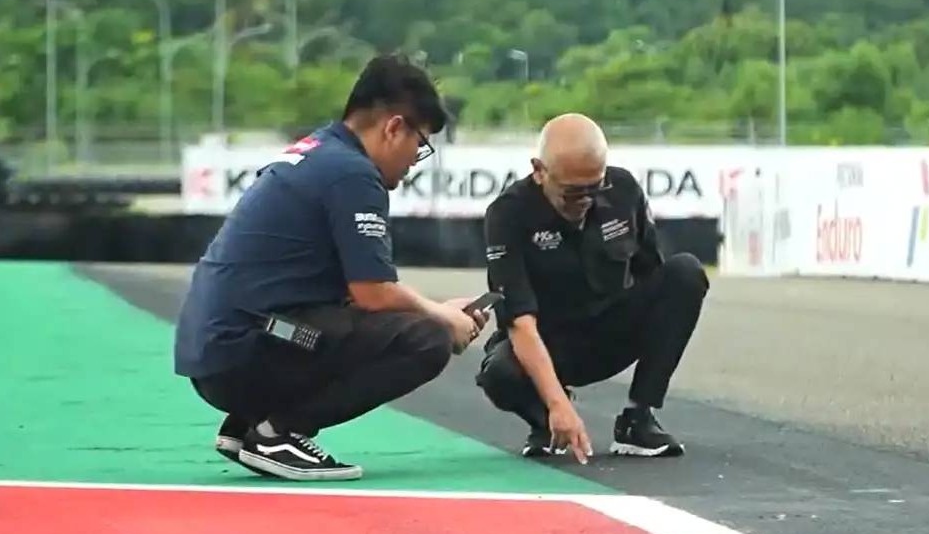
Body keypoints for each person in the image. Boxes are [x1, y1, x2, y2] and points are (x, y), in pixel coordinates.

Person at [174, 53, 487, 482]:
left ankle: (250, 422)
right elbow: (373, 293)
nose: (415, 159)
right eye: (420, 144)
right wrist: (443, 319)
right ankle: (278, 432)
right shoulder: (353, 174)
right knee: (426, 340)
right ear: (394, 127)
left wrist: (437, 310)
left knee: (406, 323)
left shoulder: (319, 152)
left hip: (226, 344)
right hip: (249, 346)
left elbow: (352, 294)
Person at [476, 113, 710, 463]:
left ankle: (639, 417)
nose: (585, 200)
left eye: (594, 188)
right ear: (539, 171)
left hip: (610, 331)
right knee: (499, 373)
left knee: (685, 273)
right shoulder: (508, 214)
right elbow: (520, 323)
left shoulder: (623, 190)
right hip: (548, 343)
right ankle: (546, 422)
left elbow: (653, 276)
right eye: (572, 192)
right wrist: (556, 403)